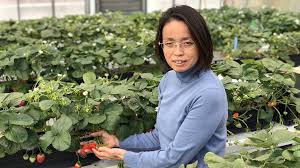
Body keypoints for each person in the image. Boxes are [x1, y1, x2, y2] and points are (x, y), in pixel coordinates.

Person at [82, 5, 228, 168]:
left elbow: (175, 159)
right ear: (161, 45)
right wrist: (117, 141)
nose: (178, 52)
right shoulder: (169, 79)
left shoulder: (208, 94)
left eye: (187, 43)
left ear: (201, 44)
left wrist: (125, 156)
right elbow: (160, 137)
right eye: (169, 43)